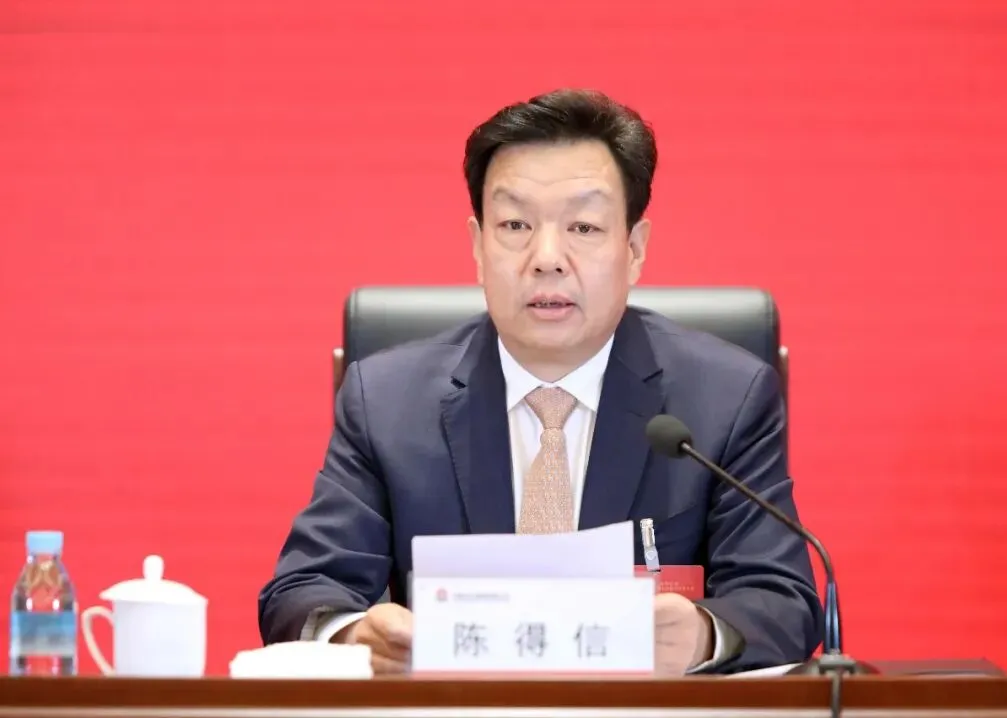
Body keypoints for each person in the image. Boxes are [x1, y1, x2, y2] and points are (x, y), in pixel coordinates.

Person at [257, 88, 823, 675]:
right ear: (478, 247)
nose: (546, 257)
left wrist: (704, 636)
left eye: (583, 226)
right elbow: (301, 593)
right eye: (515, 224)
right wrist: (354, 636)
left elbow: (782, 600)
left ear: (633, 250)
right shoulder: (386, 401)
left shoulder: (724, 399)